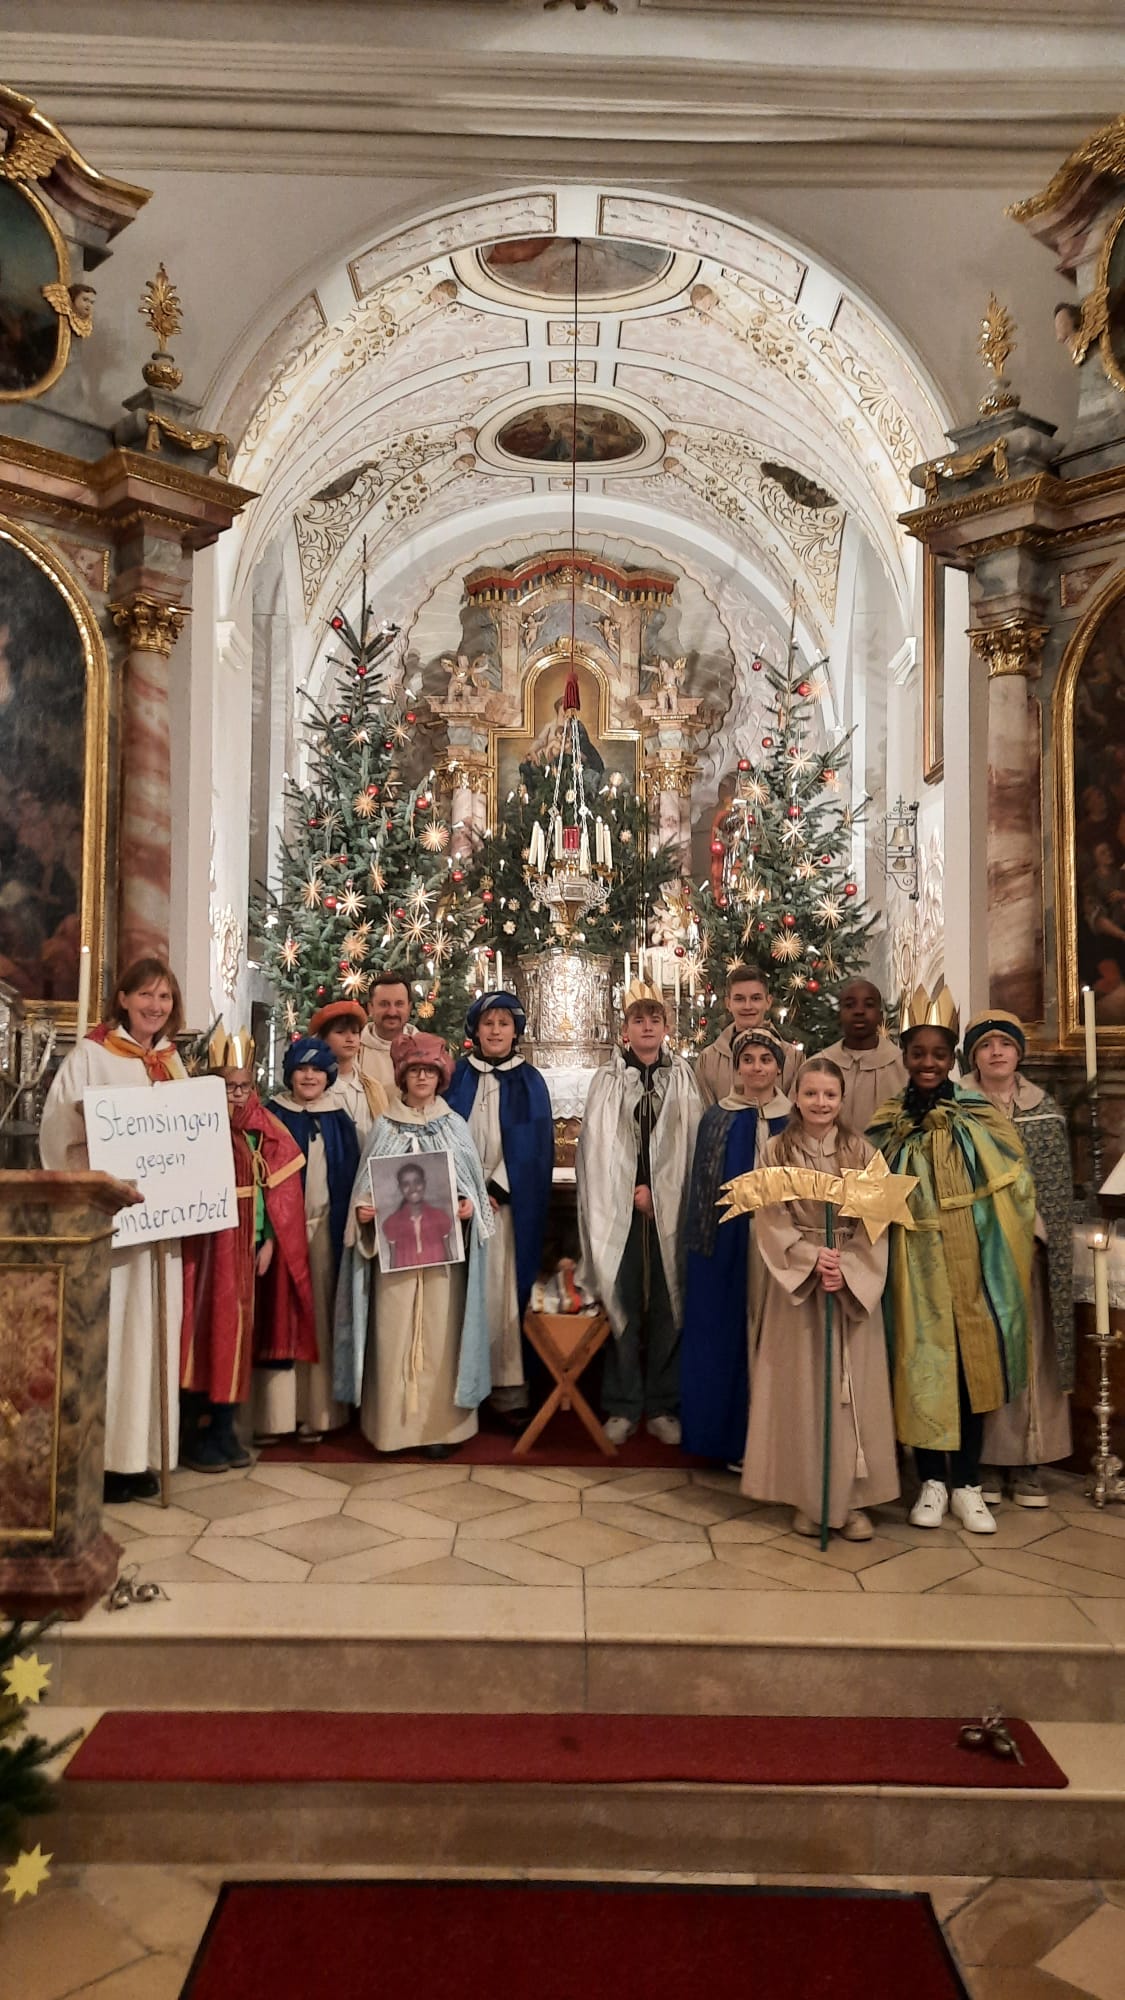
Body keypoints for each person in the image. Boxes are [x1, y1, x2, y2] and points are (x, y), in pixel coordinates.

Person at [868, 1017, 1036, 1535]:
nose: (927, 1064)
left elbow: (1013, 1178)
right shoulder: (889, 1119)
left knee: (969, 1365)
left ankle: (965, 1482)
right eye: (917, 1054)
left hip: (973, 1260)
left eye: (938, 1055)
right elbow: (872, 1190)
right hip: (912, 1261)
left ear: (952, 1059)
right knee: (920, 1361)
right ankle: (929, 1481)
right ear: (904, 1057)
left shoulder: (978, 1112)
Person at [38, 955, 189, 1504]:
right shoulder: (92, 1056)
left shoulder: (173, 1063)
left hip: (162, 1223)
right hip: (113, 1225)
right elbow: (56, 1135)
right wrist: (85, 1128)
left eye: (165, 998)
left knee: (155, 1332)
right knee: (116, 1333)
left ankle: (146, 1454)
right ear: (123, 999)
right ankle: (105, 1462)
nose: (155, 1006)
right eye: (145, 995)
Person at [742, 1057, 899, 1540]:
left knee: (851, 1395)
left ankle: (849, 1502)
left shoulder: (863, 1151)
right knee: (803, 1394)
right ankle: (809, 1498)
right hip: (800, 1285)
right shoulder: (774, 1150)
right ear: (796, 1096)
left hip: (848, 1286)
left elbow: (878, 1222)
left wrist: (848, 1266)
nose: (820, 1103)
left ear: (842, 1099)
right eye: (810, 1094)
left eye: (830, 1095)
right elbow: (768, 1217)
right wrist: (812, 1258)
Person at [334, 1031, 494, 1458]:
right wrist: (366, 1217)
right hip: (396, 1267)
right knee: (394, 1337)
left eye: (429, 1071)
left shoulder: (454, 1127)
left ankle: (441, 1430)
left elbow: (475, 1197)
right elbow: (364, 1194)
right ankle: (394, 1430)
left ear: (439, 1077)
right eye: (414, 1071)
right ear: (403, 1077)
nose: (422, 1078)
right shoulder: (385, 1128)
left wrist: (466, 1210)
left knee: (441, 1341)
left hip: (443, 1267)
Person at [180, 1027, 315, 1472]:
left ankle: (224, 1426)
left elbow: (275, 1196)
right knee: (202, 1333)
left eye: (243, 1086)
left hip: (244, 1249)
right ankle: (194, 1431)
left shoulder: (262, 1130)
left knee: (236, 1334)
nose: (236, 1097)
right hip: (203, 1249)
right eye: (226, 1086)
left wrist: (270, 1241)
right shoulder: (195, 1125)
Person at [576, 979, 703, 1445]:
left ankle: (662, 1402)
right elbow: (595, 1150)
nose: (647, 1025)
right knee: (623, 1299)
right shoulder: (607, 1080)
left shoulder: (684, 1077)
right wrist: (628, 1191)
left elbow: (690, 1147)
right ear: (624, 1028)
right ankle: (624, 1401)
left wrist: (664, 1196)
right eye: (637, 1018)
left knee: (671, 1300)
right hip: (622, 1210)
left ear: (667, 1025)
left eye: (655, 1018)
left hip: (670, 1210)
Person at [963, 1012, 1075, 1507]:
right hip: (977, 1249)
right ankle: (986, 1458)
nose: (995, 1053)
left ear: (1018, 1052)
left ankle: (1029, 1459)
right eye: (985, 1045)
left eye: (1004, 1044)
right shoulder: (958, 1107)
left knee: (1029, 1350)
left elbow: (1054, 1185)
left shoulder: (1043, 1110)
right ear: (973, 1056)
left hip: (1029, 1250)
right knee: (986, 1350)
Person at [679, 1025, 791, 1466]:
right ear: (737, 1067)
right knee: (730, 1333)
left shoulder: (793, 1116)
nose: (757, 1068)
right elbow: (705, 1189)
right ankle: (730, 1438)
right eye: (749, 1060)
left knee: (774, 1334)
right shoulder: (719, 1116)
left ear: (779, 1067)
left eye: (766, 1060)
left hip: (781, 1245)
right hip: (727, 1242)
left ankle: (777, 1439)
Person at [445, 991, 555, 1429]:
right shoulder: (455, 1076)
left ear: (516, 1031)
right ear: (475, 1028)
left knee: (502, 1291)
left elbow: (536, 1146)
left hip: (505, 1207)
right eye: (488, 1023)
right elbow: (441, 1132)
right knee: (461, 1292)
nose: (495, 1031)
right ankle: (461, 1388)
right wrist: (463, 1188)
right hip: (459, 1205)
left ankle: (508, 1389)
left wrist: (497, 1188)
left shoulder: (529, 1080)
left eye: (503, 1024)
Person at [261, 1036, 360, 1440]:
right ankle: (273, 1416)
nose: (309, 1076)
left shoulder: (339, 1120)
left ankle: (318, 1414)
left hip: (323, 1234)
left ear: (328, 1076)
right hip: (280, 1236)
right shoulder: (271, 1116)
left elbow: (351, 1178)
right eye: (301, 1069)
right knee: (278, 1319)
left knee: (319, 1318)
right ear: (289, 1073)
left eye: (317, 1070)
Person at [694, 966, 799, 1107]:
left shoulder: (792, 1057)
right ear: (728, 1004)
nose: (747, 1006)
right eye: (739, 999)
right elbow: (707, 1117)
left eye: (755, 998)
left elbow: (795, 1117)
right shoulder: (708, 1060)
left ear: (768, 1002)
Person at [817, 978, 907, 1134]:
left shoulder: (904, 1067)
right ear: (840, 1014)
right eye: (850, 1005)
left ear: (880, 1015)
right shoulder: (818, 1065)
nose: (859, 1011)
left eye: (869, 1005)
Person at [310, 997, 389, 1142]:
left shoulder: (372, 1088)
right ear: (322, 1039)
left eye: (355, 1032)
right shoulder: (314, 1088)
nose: (350, 1038)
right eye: (340, 1032)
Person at [357, 970, 413, 1101]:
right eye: (384, 1004)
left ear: (409, 1008)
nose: (392, 1012)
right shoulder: (354, 1050)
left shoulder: (425, 1049)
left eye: (399, 1004)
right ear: (370, 1008)